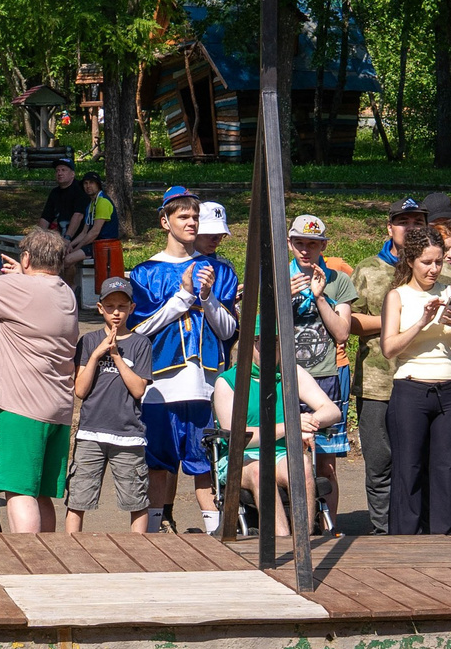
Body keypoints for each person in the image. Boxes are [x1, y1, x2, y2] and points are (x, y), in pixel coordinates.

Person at [0, 229, 82, 533]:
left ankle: (28, 564)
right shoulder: (65, 292)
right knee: (41, 494)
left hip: (17, 406)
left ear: (26, 258)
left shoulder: (19, 288)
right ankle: (48, 561)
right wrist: (19, 277)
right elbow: (30, 293)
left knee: (18, 491)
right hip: (56, 409)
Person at [130, 187, 240, 534]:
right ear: (165, 221)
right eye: (183, 217)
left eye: (195, 217)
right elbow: (138, 330)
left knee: (205, 465)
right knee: (158, 465)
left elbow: (227, 331)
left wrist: (206, 297)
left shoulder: (218, 271)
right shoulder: (144, 273)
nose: (191, 222)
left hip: (205, 386)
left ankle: (218, 536)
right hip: (159, 386)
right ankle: (154, 535)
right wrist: (182, 295)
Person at [374, 224, 451, 535]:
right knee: (409, 469)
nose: (434, 269)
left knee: (447, 470)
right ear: (410, 261)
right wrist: (422, 321)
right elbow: (389, 347)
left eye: (439, 262)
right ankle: (406, 540)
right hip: (411, 387)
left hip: (450, 388)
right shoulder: (398, 296)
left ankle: (444, 538)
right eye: (427, 262)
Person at [348, 197, 431, 533]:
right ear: (390, 227)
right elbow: (350, 321)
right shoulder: (368, 269)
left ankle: (418, 528)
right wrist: (398, 320)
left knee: (420, 463)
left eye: (417, 222)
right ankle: (383, 531)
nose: (410, 228)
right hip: (378, 382)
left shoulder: (437, 267)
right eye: (403, 222)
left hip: (426, 378)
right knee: (380, 464)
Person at [213, 353, 343, 538]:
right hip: (240, 458)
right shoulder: (227, 382)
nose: (266, 346)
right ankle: (281, 539)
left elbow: (332, 411)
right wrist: (291, 426)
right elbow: (237, 438)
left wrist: (308, 423)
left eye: (275, 340)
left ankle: (302, 540)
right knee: (260, 470)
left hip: (280, 454)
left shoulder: (290, 373)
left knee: (302, 465)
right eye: (257, 340)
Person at [284, 215, 357, 532]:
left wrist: (319, 295)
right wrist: (283, 297)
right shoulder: (277, 275)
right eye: (299, 242)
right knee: (286, 458)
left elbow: (342, 333)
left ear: (323, 245)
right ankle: (294, 524)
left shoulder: (338, 280)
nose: (305, 250)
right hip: (286, 377)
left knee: (326, 463)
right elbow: (263, 329)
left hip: (326, 378)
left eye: (312, 244)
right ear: (289, 243)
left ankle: (328, 526)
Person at [67, 277, 152, 534]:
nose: (116, 312)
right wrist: (96, 355)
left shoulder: (140, 343)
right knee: (77, 498)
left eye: (122, 306)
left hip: (128, 435)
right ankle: (71, 551)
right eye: (110, 305)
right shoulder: (89, 341)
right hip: (91, 431)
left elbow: (138, 389)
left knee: (136, 499)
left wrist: (116, 355)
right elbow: (80, 390)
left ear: (132, 308)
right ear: (100, 308)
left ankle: (138, 553)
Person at [80, 172, 122, 287]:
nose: (88, 186)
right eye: (85, 183)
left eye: (92, 183)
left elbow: (94, 232)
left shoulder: (103, 202)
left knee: (68, 260)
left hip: (104, 246)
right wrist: (70, 244)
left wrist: (77, 248)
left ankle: (72, 289)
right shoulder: (91, 204)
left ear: (98, 185)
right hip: (95, 244)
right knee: (66, 257)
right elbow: (84, 232)